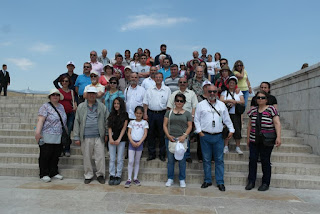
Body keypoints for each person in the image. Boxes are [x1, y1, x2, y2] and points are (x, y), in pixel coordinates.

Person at [194, 84, 234, 191]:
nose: (212, 93)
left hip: (218, 137)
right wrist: (199, 132)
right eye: (210, 91)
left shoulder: (221, 105)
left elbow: (227, 119)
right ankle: (207, 180)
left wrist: (231, 129)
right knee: (206, 160)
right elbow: (196, 119)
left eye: (214, 92)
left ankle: (220, 182)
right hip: (205, 136)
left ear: (217, 93)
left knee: (219, 160)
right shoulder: (201, 105)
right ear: (206, 92)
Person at [246, 90, 281, 191]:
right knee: (252, 160)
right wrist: (248, 138)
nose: (260, 99)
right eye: (258, 98)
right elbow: (249, 125)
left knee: (265, 161)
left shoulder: (271, 109)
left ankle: (265, 183)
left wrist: (278, 137)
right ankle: (251, 181)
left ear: (266, 99)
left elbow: (277, 123)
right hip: (254, 139)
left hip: (267, 140)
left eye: (262, 98)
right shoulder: (252, 111)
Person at [73, 87, 108, 184]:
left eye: (93, 93)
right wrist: (76, 136)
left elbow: (106, 121)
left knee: (100, 157)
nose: (92, 95)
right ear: (87, 95)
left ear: (96, 95)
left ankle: (100, 175)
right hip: (85, 135)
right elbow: (77, 122)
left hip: (98, 135)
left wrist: (106, 134)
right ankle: (88, 175)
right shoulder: (81, 107)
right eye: (90, 93)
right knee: (87, 157)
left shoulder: (102, 106)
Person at [35, 89, 66, 182]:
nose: (55, 96)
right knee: (45, 155)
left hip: (58, 135)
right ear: (50, 97)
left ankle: (54, 172)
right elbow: (41, 120)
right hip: (47, 134)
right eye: (53, 95)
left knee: (55, 155)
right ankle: (44, 173)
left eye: (57, 95)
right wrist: (38, 132)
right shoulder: (45, 106)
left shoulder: (61, 107)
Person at [163, 94, 193, 188]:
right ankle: (170, 178)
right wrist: (168, 136)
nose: (179, 102)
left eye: (181, 101)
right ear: (174, 101)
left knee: (182, 161)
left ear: (184, 103)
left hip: (182, 139)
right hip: (171, 138)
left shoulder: (187, 113)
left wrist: (184, 136)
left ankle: (182, 179)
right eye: (177, 100)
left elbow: (190, 126)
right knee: (170, 160)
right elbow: (164, 125)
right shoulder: (169, 112)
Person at [167, 77, 198, 163]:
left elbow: (194, 106)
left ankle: (186, 155)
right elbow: (169, 106)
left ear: (187, 83)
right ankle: (176, 154)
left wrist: (192, 117)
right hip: (175, 118)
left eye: (184, 82)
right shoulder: (174, 94)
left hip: (187, 119)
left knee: (186, 137)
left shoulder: (191, 93)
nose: (183, 83)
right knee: (176, 137)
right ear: (178, 83)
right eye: (181, 82)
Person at [143, 72, 171, 162]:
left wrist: (167, 115)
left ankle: (162, 154)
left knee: (162, 134)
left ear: (162, 78)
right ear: (154, 79)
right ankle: (151, 154)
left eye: (160, 77)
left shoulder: (167, 89)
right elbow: (145, 103)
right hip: (151, 113)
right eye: (157, 77)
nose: (158, 79)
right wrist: (145, 114)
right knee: (150, 134)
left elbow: (169, 104)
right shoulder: (149, 89)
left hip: (162, 113)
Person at [125, 106, 149, 188]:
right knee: (131, 161)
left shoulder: (145, 123)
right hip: (132, 143)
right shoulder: (131, 122)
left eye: (140, 113)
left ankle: (135, 177)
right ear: (134, 113)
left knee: (137, 161)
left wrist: (140, 142)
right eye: (137, 113)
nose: (138, 115)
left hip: (139, 143)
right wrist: (131, 141)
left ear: (142, 114)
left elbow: (145, 133)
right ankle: (129, 178)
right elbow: (129, 132)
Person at [220, 76, 244, 154]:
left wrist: (235, 102)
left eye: (233, 83)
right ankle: (226, 146)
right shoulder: (225, 92)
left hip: (236, 114)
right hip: (227, 113)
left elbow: (242, 101)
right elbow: (221, 100)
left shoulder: (239, 92)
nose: (231, 84)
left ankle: (237, 147)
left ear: (235, 84)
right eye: (230, 83)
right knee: (226, 129)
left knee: (237, 130)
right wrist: (228, 101)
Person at [108, 97, 129, 185]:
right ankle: (112, 175)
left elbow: (124, 128)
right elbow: (109, 127)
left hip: (122, 139)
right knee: (112, 158)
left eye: (118, 103)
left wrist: (119, 139)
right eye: (115, 103)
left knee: (120, 159)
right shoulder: (111, 114)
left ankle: (118, 175)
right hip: (112, 139)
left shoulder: (125, 114)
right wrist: (110, 138)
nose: (116, 105)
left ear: (121, 105)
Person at [58, 75, 77, 157]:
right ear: (61, 82)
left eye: (66, 81)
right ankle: (61, 148)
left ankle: (67, 148)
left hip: (70, 113)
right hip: (61, 114)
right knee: (61, 132)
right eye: (63, 81)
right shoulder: (58, 91)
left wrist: (75, 106)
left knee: (68, 132)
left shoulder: (72, 91)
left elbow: (73, 101)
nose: (65, 82)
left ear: (69, 82)